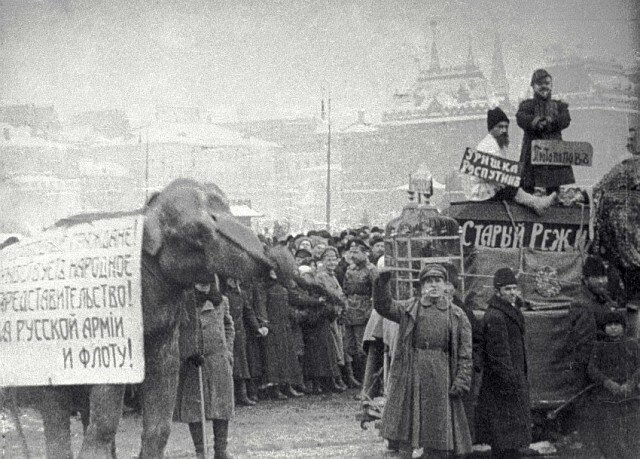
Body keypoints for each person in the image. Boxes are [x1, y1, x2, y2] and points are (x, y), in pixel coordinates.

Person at [374, 264, 473, 458]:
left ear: (446, 285)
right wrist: (382, 283)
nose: (433, 285)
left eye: (438, 281)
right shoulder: (411, 308)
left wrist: (462, 378)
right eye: (429, 281)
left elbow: (465, 352)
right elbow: (384, 306)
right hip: (413, 372)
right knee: (408, 426)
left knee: (439, 431)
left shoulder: (457, 315)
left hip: (443, 375)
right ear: (421, 286)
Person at [174, 282, 235, 459]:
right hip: (194, 363)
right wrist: (188, 352)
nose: (204, 285)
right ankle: (201, 451)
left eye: (207, 281)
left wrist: (228, 351)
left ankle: (221, 451)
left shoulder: (221, 301)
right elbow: (178, 330)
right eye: (200, 281)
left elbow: (229, 326)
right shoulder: (185, 302)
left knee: (221, 406)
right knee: (195, 407)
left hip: (218, 361)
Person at [476, 268, 531, 459]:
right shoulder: (496, 316)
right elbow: (498, 355)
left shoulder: (505, 312)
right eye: (507, 289)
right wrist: (511, 382)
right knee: (505, 442)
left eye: (514, 288)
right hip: (504, 386)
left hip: (509, 382)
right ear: (497, 291)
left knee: (507, 440)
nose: (512, 293)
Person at [463, 106, 556, 214]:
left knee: (516, 183)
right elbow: (494, 176)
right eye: (500, 127)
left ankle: (535, 201)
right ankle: (536, 203)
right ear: (491, 128)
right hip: (483, 191)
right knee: (511, 188)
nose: (504, 130)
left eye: (506, 127)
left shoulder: (497, 145)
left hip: (490, 188)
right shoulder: (488, 146)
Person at [577, 310, 640, 458]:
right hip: (607, 396)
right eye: (609, 325)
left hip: (630, 395)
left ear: (623, 326)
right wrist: (609, 383)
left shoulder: (632, 344)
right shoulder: (599, 346)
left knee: (631, 430)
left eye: (617, 324)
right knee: (609, 432)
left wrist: (630, 384)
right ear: (604, 328)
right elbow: (592, 369)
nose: (613, 328)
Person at [516, 68, 574, 194]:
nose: (544, 87)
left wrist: (550, 122)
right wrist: (536, 122)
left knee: (554, 188)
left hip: (553, 151)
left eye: (547, 83)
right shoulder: (526, 105)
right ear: (533, 86)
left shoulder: (559, 105)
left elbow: (566, 119)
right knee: (527, 185)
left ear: (551, 85)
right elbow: (520, 118)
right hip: (532, 152)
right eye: (540, 84)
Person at [342, 239, 377, 387]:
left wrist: (372, 311)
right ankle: (353, 379)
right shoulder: (350, 270)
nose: (353, 255)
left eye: (356, 252)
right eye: (351, 252)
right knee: (348, 347)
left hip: (364, 312)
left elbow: (376, 293)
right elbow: (345, 290)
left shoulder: (371, 270)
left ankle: (366, 381)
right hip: (349, 311)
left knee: (362, 347)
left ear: (365, 253)